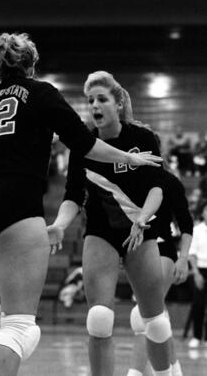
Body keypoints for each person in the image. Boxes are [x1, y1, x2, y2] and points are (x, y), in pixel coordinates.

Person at [0, 34, 162, 376]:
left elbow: (9, 139)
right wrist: (128, 157)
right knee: (20, 327)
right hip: (14, 208)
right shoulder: (41, 92)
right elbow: (85, 144)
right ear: (32, 65)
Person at [48, 71, 172, 376]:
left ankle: (168, 373)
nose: (94, 106)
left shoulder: (143, 139)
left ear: (117, 103)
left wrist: (142, 218)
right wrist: (60, 224)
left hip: (140, 231)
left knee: (154, 322)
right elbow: (73, 196)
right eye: (90, 101)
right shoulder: (84, 146)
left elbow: (158, 188)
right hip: (101, 233)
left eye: (101, 99)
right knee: (99, 319)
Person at [127, 168, 193, 376]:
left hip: (163, 247)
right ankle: (174, 369)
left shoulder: (169, 181)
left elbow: (186, 223)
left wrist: (183, 259)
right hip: (137, 249)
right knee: (157, 316)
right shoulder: (126, 177)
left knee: (144, 314)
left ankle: (135, 372)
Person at [187, 200, 207, 348]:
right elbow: (191, 253)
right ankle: (196, 336)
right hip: (200, 269)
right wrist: (196, 273)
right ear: (203, 213)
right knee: (198, 304)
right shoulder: (197, 230)